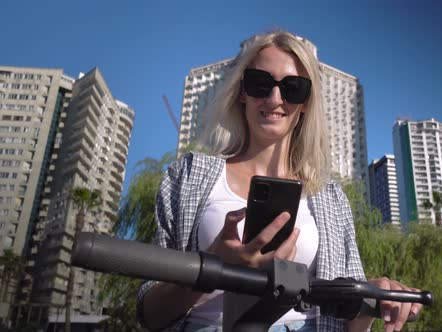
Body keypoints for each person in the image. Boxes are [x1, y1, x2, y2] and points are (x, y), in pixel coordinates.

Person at [138, 30, 423, 332]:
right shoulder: (189, 174)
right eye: (261, 84)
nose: (275, 99)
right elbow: (149, 312)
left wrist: (371, 297)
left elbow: (350, 322)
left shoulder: (331, 197)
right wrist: (213, 267)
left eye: (293, 88)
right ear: (242, 92)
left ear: (305, 105)